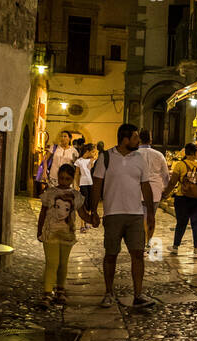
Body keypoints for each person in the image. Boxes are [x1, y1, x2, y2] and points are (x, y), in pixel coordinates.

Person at [90, 123, 156, 310]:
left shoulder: (139, 159)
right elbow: (97, 185)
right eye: (135, 138)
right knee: (111, 254)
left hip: (135, 214)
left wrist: (150, 213)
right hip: (113, 213)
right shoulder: (106, 157)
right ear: (125, 139)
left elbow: (145, 186)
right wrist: (93, 211)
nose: (138, 141)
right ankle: (108, 293)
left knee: (138, 254)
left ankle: (138, 294)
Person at [37, 163, 97, 304]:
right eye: (61, 178)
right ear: (58, 177)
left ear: (71, 180)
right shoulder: (50, 193)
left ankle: (60, 290)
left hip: (67, 234)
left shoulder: (75, 196)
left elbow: (82, 214)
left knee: (63, 263)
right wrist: (39, 230)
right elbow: (43, 212)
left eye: (67, 179)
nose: (64, 181)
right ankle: (47, 292)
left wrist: (92, 220)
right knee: (52, 263)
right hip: (50, 233)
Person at [162, 143, 197, 254]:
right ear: (195, 153)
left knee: (181, 222)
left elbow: (173, 182)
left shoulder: (180, 165)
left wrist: (165, 194)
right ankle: (196, 248)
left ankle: (175, 246)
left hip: (182, 198)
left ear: (186, 152)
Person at [138, 128, 170, 249]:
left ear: (139, 139)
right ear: (150, 139)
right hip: (155, 192)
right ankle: (148, 241)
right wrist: (165, 190)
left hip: (138, 191)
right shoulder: (159, 155)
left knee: (140, 218)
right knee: (151, 216)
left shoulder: (134, 155)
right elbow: (165, 175)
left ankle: (140, 242)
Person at [75, 143, 96, 231]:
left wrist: (92, 160)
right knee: (83, 204)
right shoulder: (79, 161)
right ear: (87, 152)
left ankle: (87, 221)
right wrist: (77, 184)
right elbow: (77, 174)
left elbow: (92, 168)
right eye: (92, 152)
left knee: (89, 204)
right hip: (83, 183)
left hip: (90, 183)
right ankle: (82, 224)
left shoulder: (91, 160)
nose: (94, 153)